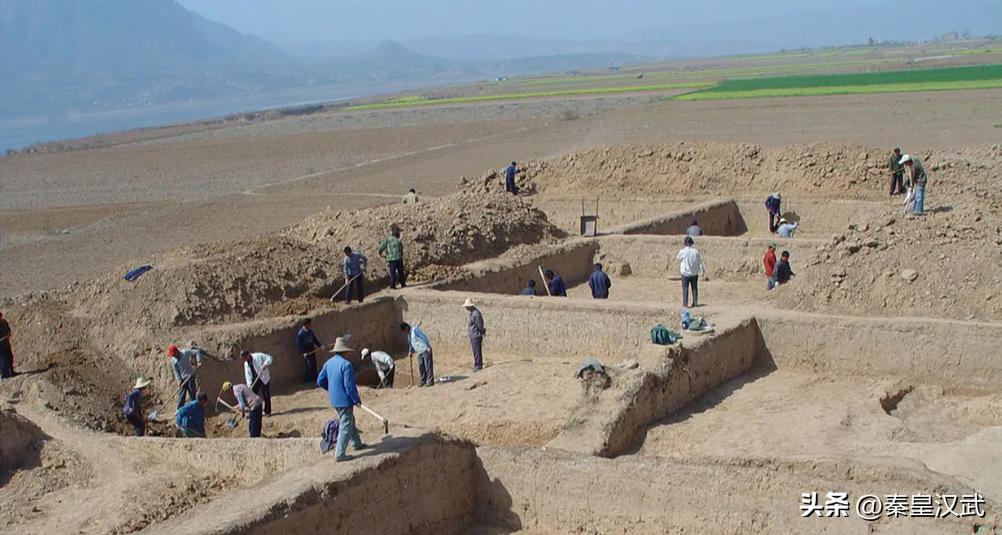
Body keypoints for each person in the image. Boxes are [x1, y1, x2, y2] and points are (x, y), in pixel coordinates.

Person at [317, 337, 368, 461]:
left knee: (350, 419)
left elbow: (319, 381)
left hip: (334, 399)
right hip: (344, 400)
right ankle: (339, 453)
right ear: (345, 351)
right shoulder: (346, 365)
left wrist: (332, 389)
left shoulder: (328, 363)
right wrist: (356, 400)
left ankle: (356, 443)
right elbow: (349, 386)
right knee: (345, 424)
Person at [167, 343, 203, 409]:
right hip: (182, 380)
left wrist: (199, 361)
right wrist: (179, 380)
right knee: (181, 396)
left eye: (173, 354)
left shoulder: (185, 353)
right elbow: (176, 372)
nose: (173, 356)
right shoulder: (173, 361)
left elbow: (197, 352)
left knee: (192, 395)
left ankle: (193, 409)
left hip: (190, 377)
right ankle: (179, 410)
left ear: (177, 352)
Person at [676, 236, 706, 308]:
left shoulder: (682, 251)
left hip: (685, 273)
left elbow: (678, 258)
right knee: (694, 288)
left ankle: (685, 304)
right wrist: (702, 271)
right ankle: (695, 302)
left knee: (685, 289)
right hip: (694, 273)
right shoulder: (696, 251)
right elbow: (700, 262)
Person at [401, 322, 434, 386]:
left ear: (406, 328)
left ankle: (430, 381)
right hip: (419, 352)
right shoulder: (409, 335)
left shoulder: (415, 330)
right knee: (421, 367)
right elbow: (410, 344)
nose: (404, 333)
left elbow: (424, 337)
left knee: (428, 366)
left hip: (425, 349)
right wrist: (410, 351)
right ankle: (423, 381)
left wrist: (428, 346)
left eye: (404, 331)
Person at [242, 351, 273, 416]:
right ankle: (254, 411)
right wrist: (249, 385)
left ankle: (267, 411)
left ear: (248, 355)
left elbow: (270, 358)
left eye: (245, 358)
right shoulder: (246, 363)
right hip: (254, 380)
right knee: (253, 396)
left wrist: (266, 363)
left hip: (263, 377)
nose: (244, 360)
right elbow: (248, 375)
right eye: (243, 359)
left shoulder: (258, 356)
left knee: (266, 395)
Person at [296, 318, 323, 384]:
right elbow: (299, 345)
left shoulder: (310, 331)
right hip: (307, 352)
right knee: (309, 366)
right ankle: (308, 381)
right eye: (309, 324)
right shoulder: (300, 334)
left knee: (314, 365)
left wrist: (320, 346)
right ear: (306, 324)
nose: (311, 325)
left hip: (312, 350)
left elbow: (315, 340)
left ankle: (314, 379)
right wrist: (303, 352)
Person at [464, 298, 486, 371]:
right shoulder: (473, 313)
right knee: (476, 350)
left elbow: (479, 325)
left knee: (477, 350)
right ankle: (478, 364)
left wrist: (482, 331)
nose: (466, 308)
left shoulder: (475, 314)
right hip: (474, 335)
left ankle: (478, 365)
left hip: (476, 335)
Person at [0, 311, 14, 380]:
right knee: (3, 360)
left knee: (10, 357)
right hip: (1, 346)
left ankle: (11, 372)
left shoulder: (4, 322)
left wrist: (8, 333)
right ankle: (4, 375)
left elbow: (8, 329)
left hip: (6, 343)